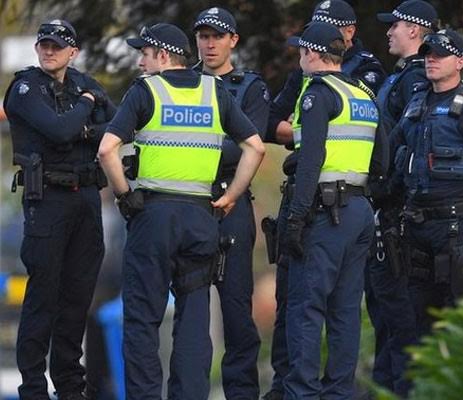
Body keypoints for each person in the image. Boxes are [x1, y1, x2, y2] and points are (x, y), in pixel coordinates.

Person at [97, 23, 265, 400]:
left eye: (144, 53)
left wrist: (125, 196)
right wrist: (233, 195)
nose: (140, 61)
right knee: (193, 320)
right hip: (201, 218)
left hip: (153, 216)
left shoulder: (146, 91)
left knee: (142, 318)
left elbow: (107, 149)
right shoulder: (214, 91)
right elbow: (255, 146)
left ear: (163, 55)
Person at [262, 3, 385, 399]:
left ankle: (301, 393)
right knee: (345, 312)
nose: (299, 57)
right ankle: (339, 394)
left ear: (312, 53)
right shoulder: (362, 93)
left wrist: (295, 219)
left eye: (301, 51)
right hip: (359, 211)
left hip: (324, 213)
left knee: (305, 308)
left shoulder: (318, 94)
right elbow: (382, 158)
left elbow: (310, 158)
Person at [3, 19, 114, 400]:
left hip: (85, 199)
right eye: (44, 45)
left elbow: (117, 125)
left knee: (77, 297)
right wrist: (85, 111)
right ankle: (33, 389)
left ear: (73, 52)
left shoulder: (86, 82)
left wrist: (81, 128)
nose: (48, 51)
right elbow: (58, 130)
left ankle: (69, 387)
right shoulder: (25, 87)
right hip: (46, 199)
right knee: (42, 298)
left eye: (56, 46)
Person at [390, 29, 463, 338]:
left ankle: (462, 384)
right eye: (428, 54)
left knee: (462, 315)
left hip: (458, 223)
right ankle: (425, 385)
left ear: (460, 60)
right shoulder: (417, 101)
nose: (431, 60)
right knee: (419, 318)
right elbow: (391, 148)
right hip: (417, 223)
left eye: (440, 54)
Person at [192, 7, 270, 399]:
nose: (208, 44)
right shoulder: (183, 82)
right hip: (188, 204)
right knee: (190, 314)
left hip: (231, 203)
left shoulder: (250, 87)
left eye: (216, 36)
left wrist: (194, 147)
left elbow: (247, 148)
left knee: (237, 311)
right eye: (202, 36)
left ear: (233, 41)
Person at [363, 0, 440, 395]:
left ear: (414, 29)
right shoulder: (402, 76)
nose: (389, 32)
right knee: (387, 318)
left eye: (395, 26)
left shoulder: (414, 80)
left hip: (397, 212)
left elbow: (409, 144)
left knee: (400, 320)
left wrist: (386, 190)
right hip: (385, 206)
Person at [267, 0, 385, 145]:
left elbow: (349, 125)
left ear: (349, 32)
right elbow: (270, 121)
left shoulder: (366, 68)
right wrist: (306, 129)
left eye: (328, 30)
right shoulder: (305, 68)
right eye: (315, 29)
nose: (319, 35)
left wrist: (300, 124)